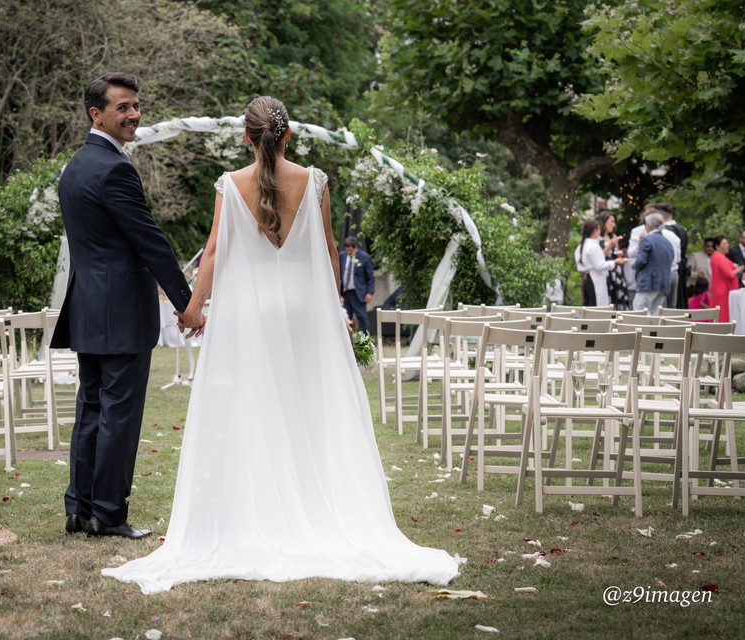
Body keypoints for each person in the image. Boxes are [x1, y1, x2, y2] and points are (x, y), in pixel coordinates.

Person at [103, 96, 460, 593]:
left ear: (247, 139)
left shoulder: (231, 185)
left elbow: (212, 251)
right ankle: (312, 503)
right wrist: (335, 307)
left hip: (250, 317)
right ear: (288, 135)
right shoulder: (314, 182)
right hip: (303, 315)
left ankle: (263, 507)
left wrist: (193, 306)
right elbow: (329, 250)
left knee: (253, 410)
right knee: (309, 410)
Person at [50, 73, 205, 540]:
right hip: (119, 312)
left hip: (87, 308)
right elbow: (150, 241)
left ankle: (79, 509)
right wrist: (187, 302)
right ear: (96, 114)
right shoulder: (114, 169)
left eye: (136, 105)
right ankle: (108, 513)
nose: (134, 114)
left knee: (92, 408)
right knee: (117, 412)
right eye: (123, 107)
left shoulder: (76, 165)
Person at [575, 218, 626, 306]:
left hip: (587, 278)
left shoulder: (582, 246)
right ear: (595, 230)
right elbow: (599, 265)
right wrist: (615, 262)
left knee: (589, 304)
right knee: (596, 305)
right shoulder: (593, 246)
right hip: (595, 279)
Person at [631, 213, 674, 316]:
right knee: (655, 314)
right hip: (663, 283)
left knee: (639, 311)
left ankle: (640, 332)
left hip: (648, 282)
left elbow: (641, 261)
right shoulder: (667, 242)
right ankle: (652, 332)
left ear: (648, 225)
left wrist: (633, 265)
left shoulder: (647, 239)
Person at [339, 235, 375, 333]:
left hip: (358, 292)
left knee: (362, 317)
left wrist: (370, 292)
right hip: (345, 293)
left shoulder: (364, 257)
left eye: (350, 250)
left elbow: (370, 277)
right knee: (345, 318)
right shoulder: (342, 256)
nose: (348, 252)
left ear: (355, 247)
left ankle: (366, 341)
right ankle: (348, 343)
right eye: (346, 250)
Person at [656, 204, 689, 307]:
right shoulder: (682, 229)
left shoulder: (665, 232)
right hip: (681, 269)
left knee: (670, 303)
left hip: (669, 270)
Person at [597, 211, 629, 310]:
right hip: (606, 274)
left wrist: (620, 253)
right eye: (611, 221)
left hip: (617, 274)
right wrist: (611, 244)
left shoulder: (612, 237)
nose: (614, 225)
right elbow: (599, 256)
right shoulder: (598, 238)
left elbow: (613, 254)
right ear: (604, 222)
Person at [710, 235, 745, 323]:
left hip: (720, 289)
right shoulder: (719, 257)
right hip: (723, 291)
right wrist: (739, 269)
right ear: (717, 246)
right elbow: (730, 274)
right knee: (723, 315)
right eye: (724, 243)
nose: (727, 245)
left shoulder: (717, 256)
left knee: (721, 315)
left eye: (727, 243)